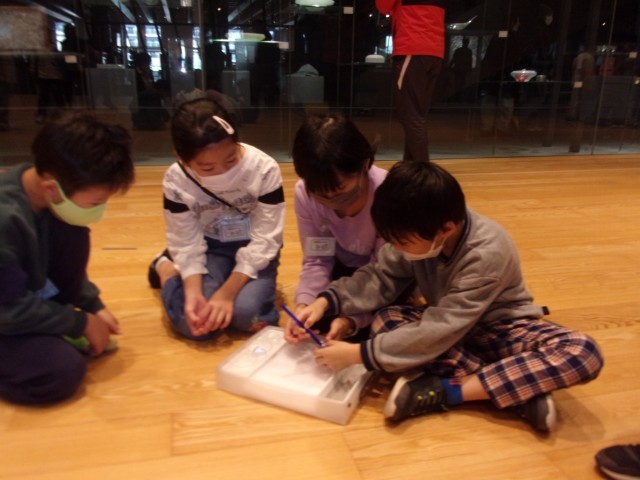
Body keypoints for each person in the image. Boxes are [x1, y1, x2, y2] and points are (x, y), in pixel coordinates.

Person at [285, 161, 604, 433]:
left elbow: (442, 327)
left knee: (582, 351)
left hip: (498, 327)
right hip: (450, 327)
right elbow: (380, 276)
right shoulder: (420, 230)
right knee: (387, 318)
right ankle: (518, 387)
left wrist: (359, 354)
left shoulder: (486, 251)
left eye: (402, 242)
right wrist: (324, 301)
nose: (395, 248)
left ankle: (449, 390)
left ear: (446, 229)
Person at [0, 111, 135, 405]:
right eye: (96, 202)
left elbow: (65, 265)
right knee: (61, 372)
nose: (99, 211)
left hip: (21, 297)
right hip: (6, 311)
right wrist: (78, 322)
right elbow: (7, 311)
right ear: (52, 189)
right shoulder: (6, 219)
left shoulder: (46, 193)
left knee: (72, 229)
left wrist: (91, 305)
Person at [147, 97, 285, 340]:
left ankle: (221, 286)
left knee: (247, 317)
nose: (224, 173)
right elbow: (185, 239)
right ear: (181, 158)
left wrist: (226, 294)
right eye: (207, 168)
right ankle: (166, 269)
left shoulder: (264, 168)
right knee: (196, 322)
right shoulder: (176, 179)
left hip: (256, 247)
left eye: (231, 159)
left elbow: (267, 237)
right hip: (211, 246)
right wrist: (192, 291)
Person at [291, 113, 387, 341]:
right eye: (320, 192)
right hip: (343, 270)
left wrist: (352, 321)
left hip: (386, 275)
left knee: (384, 326)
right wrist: (304, 305)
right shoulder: (304, 193)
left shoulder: (388, 193)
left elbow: (385, 274)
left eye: (339, 189)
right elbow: (317, 258)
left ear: (365, 164)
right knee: (315, 319)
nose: (330, 199)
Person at [375, 0, 445, 162]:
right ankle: (410, 166)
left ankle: (423, 171)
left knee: (410, 115)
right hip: (435, 51)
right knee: (417, 115)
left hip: (413, 48)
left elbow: (383, 6)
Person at [449, 37, 473, 101]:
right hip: (462, 70)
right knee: (461, 83)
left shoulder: (459, 50)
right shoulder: (468, 51)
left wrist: (450, 67)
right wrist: (469, 70)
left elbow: (454, 59)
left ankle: (456, 96)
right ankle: (458, 97)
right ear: (467, 43)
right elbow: (470, 61)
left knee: (457, 83)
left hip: (459, 69)